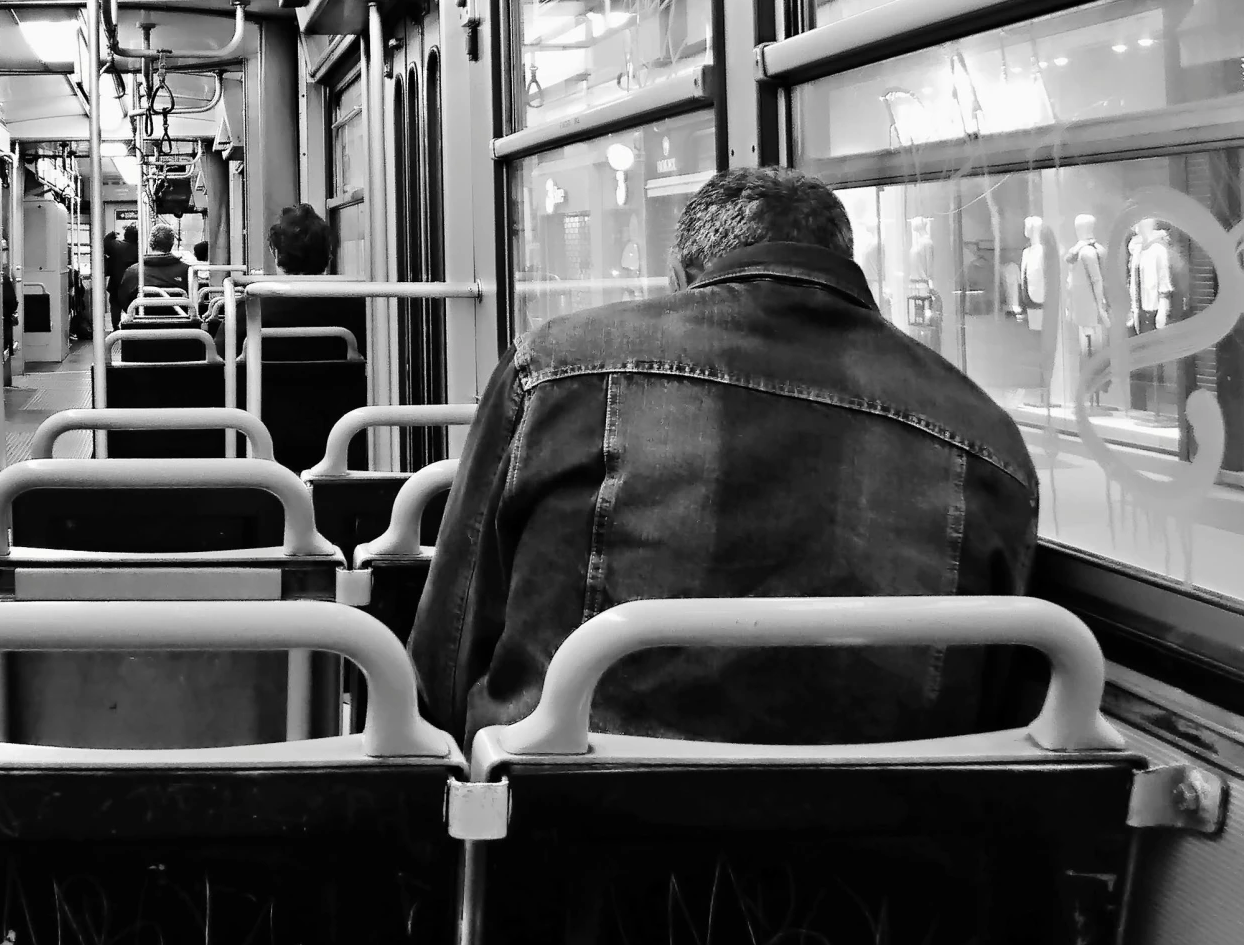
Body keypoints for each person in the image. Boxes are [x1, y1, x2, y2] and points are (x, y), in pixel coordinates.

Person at [410, 168, 1037, 750]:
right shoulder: (985, 437)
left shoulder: (558, 370)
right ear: (851, 269)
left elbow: (457, 627)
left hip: (570, 821)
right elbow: (1000, 707)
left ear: (682, 280)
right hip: (877, 847)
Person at [229, 203, 366, 356]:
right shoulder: (357, 309)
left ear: (274, 252)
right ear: (328, 254)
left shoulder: (249, 311)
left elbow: (221, 364)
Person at [113, 222, 190, 322]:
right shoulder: (187, 271)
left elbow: (124, 301)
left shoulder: (133, 272)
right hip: (182, 327)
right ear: (172, 243)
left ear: (150, 243)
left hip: (141, 327)